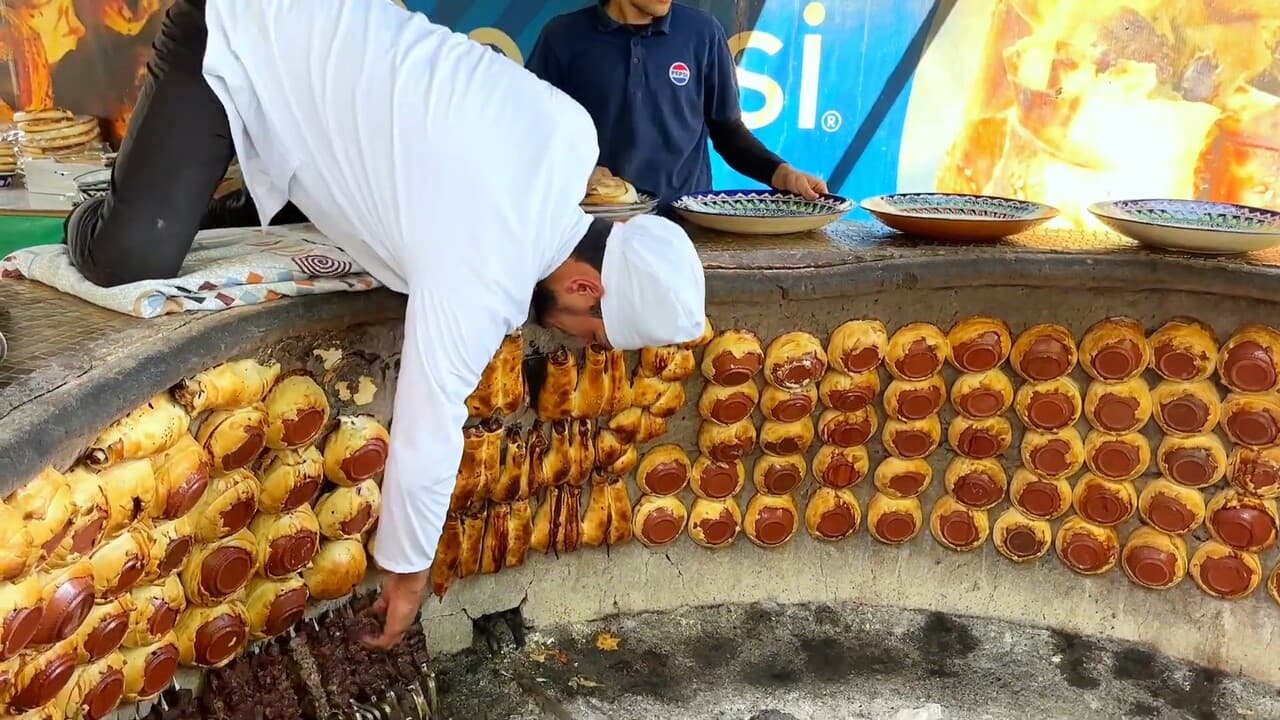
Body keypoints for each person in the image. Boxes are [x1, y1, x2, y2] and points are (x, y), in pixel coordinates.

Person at [63, 0, 707, 650]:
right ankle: (90, 213)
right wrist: (407, 574)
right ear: (582, 285)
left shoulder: (572, 134)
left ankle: (194, 187)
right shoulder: (484, 261)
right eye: (586, 331)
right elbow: (432, 430)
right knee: (133, 256)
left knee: (265, 218)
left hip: (320, 60)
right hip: (239, 29)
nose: (571, 339)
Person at [527, 0, 829, 204]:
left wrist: (781, 173)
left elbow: (728, 132)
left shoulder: (703, 33)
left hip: (684, 228)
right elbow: (532, 132)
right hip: (591, 228)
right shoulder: (563, 36)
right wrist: (578, 172)